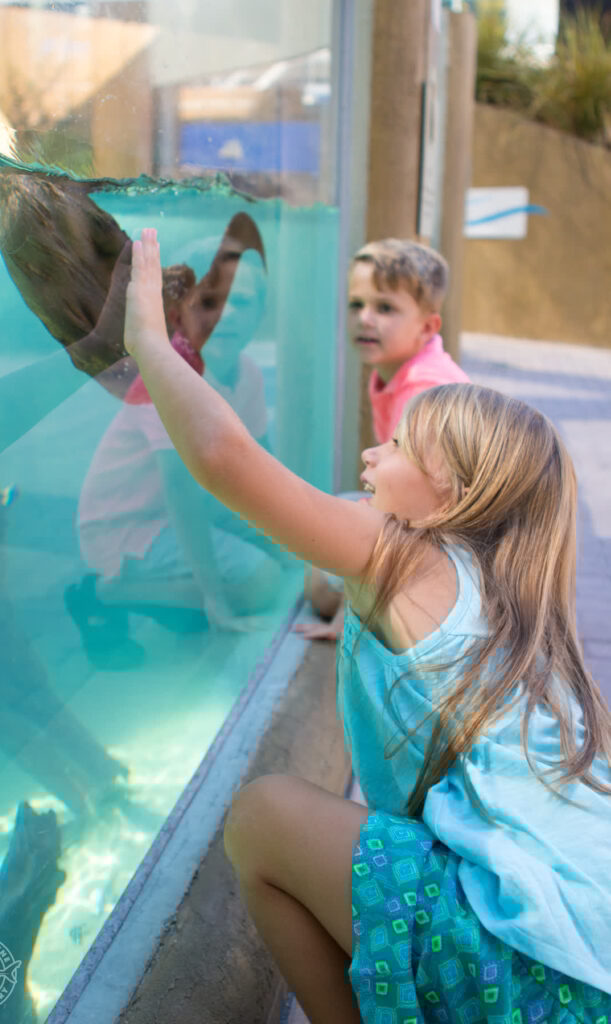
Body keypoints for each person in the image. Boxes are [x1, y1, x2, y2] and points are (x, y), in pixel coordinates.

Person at [123, 228, 611, 1024]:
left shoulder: (404, 558)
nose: (368, 450)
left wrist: (150, 343)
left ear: (450, 500)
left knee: (263, 816)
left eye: (394, 445)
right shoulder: (504, 597)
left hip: (525, 970)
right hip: (584, 974)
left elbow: (224, 458)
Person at [66, 232, 285, 666]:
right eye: (209, 302)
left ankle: (176, 604)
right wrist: (214, 600)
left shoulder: (247, 376)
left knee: (287, 550)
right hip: (125, 525)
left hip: (189, 510)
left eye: (241, 303)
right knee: (263, 582)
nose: (225, 316)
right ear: (179, 311)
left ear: (261, 314)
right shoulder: (164, 377)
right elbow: (180, 492)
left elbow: (263, 469)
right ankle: (100, 593)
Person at [299, 238, 470, 641]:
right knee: (332, 519)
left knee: (320, 583)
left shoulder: (423, 391)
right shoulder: (401, 373)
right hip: (432, 534)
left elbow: (404, 515)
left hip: (450, 549)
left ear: (428, 326)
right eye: (357, 304)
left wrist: (347, 616)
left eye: (385, 308)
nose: (365, 318)